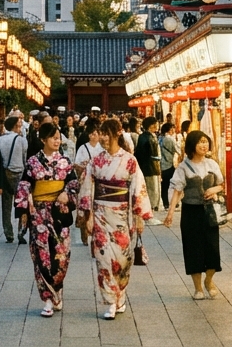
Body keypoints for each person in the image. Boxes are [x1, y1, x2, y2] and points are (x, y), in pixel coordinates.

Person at [79, 118, 152, 320]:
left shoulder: (130, 160)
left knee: (123, 259)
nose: (102, 137)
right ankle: (110, 301)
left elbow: (138, 188)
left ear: (116, 134)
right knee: (103, 259)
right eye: (101, 133)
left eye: (105, 133)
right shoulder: (96, 161)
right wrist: (88, 216)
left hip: (123, 215)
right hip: (100, 213)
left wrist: (139, 217)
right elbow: (87, 188)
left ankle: (120, 295)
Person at [15, 120, 79, 317]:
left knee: (61, 255)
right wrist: (24, 209)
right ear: (43, 139)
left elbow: (74, 183)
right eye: (53, 138)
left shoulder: (65, 162)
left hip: (59, 213)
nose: (57, 141)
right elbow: (24, 185)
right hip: (39, 214)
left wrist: (67, 193)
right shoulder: (33, 162)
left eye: (58, 138)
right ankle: (48, 300)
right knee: (41, 255)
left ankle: (57, 290)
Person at [163, 130, 225, 300]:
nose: (204, 145)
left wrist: (214, 189)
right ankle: (198, 288)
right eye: (200, 142)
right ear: (192, 145)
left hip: (209, 212)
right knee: (193, 249)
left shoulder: (212, 164)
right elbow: (177, 190)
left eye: (205, 141)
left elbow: (221, 184)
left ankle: (209, 280)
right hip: (191, 212)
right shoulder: (183, 167)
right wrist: (170, 213)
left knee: (212, 249)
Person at [0, 114, 29, 244]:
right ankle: (21, 231)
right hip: (19, 173)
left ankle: (8, 232)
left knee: (6, 205)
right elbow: (24, 158)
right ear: (15, 126)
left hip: (5, 174)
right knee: (22, 204)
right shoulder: (22, 140)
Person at [133, 117, 161, 214]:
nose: (157, 126)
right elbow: (144, 154)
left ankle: (151, 208)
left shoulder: (146, 136)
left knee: (152, 188)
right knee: (152, 189)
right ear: (151, 125)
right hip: (149, 167)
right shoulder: (147, 137)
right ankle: (150, 209)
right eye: (156, 124)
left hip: (150, 167)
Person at [159, 121, 178, 210]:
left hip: (161, 164)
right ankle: (174, 202)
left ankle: (166, 203)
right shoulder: (170, 139)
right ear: (170, 129)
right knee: (174, 184)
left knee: (164, 186)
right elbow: (177, 149)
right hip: (169, 164)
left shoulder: (159, 138)